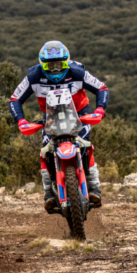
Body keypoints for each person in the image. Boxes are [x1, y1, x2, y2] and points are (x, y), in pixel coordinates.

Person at [9, 40, 108, 212]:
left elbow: (101, 88)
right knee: (45, 151)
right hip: (52, 116)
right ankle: (49, 192)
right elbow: (15, 99)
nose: (55, 69)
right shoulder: (34, 77)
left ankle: (93, 188)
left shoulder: (77, 72)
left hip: (79, 114)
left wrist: (100, 109)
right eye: (50, 66)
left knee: (86, 146)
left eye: (59, 65)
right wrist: (21, 120)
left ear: (67, 62)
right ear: (42, 65)